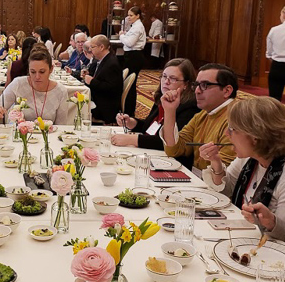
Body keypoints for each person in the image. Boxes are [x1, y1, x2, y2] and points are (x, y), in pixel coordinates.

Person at [200, 97, 285, 241]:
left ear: (255, 137)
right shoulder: (248, 159)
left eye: (232, 129)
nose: (227, 134)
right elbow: (226, 192)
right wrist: (215, 162)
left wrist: (270, 221)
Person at [161, 63, 238, 175]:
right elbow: (174, 150)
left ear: (226, 91)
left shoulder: (236, 119)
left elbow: (225, 173)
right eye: (196, 85)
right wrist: (169, 111)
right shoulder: (202, 115)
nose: (197, 91)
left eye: (204, 85)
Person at [113, 58, 199, 156]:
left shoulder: (190, 107)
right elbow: (150, 127)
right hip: (148, 153)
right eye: (164, 76)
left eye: (173, 79)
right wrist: (132, 122)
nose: (166, 82)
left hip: (169, 160)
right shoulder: (162, 97)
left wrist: (132, 139)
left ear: (186, 84)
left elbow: (169, 142)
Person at [0, 47, 68, 124]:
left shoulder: (60, 91)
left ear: (51, 69)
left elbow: (61, 125)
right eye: (32, 72)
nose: (37, 77)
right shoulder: (18, 84)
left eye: (42, 72)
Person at [83, 35, 123, 124]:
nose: (90, 50)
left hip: (105, 106)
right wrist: (90, 76)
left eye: (92, 47)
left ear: (101, 47)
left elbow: (112, 88)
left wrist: (92, 81)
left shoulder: (112, 63)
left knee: (76, 106)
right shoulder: (104, 60)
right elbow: (102, 78)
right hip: (99, 99)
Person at [120, 6, 146, 116]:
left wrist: (121, 36)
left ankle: (129, 111)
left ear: (138, 16)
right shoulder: (134, 26)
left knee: (130, 84)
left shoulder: (137, 27)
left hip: (134, 56)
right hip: (130, 55)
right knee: (128, 83)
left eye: (131, 15)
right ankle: (127, 108)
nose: (128, 17)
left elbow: (130, 43)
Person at [266, 6, 285, 102]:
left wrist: (273, 58)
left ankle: (274, 117)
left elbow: (269, 52)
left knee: (274, 100)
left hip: (277, 66)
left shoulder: (274, 30)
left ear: (283, 15)